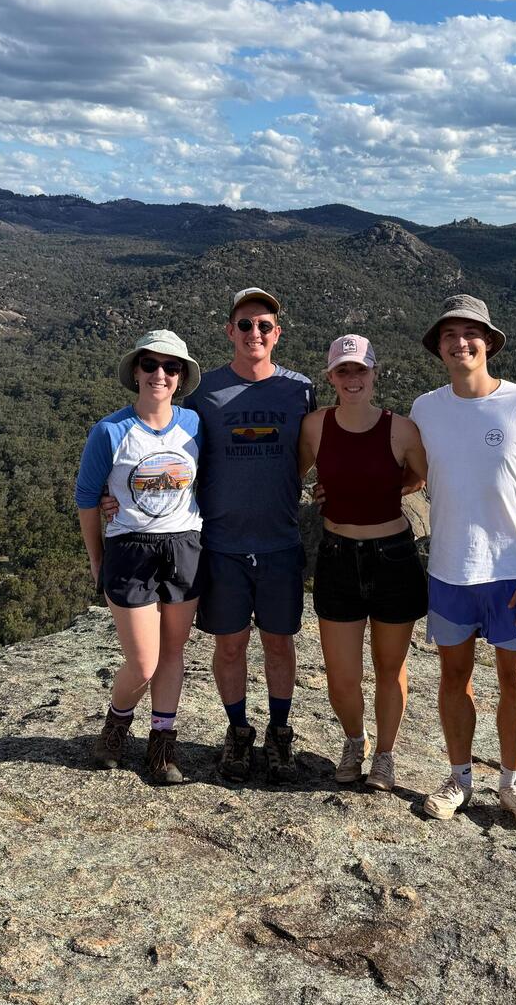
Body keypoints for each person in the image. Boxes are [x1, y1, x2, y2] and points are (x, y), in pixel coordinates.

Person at [102, 288, 315, 783]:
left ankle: (279, 733)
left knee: (280, 645)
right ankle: (238, 731)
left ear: (277, 333)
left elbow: (308, 449)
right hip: (221, 545)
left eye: (264, 325)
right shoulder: (204, 398)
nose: (254, 333)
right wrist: (116, 498)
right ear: (230, 331)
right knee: (230, 646)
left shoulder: (300, 390)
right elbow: (171, 453)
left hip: (280, 542)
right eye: (245, 325)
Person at [411, 295, 516, 830]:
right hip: (450, 568)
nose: (460, 343)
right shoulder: (425, 409)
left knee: (515, 681)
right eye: (449, 335)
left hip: (511, 571)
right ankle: (459, 778)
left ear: (489, 342)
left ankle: (511, 781)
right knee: (453, 677)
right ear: (438, 348)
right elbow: (412, 476)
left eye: (470, 333)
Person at [299, 334, 428, 792]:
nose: (352, 379)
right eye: (343, 371)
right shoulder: (315, 427)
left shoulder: (402, 429)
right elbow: (293, 473)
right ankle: (355, 739)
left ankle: (386, 754)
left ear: (375, 374)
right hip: (337, 556)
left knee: (390, 667)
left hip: (393, 556)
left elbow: (418, 476)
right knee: (342, 674)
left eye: (361, 370)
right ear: (331, 377)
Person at [75, 329, 203, 785]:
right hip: (130, 551)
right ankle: (116, 723)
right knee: (144, 662)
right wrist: (97, 560)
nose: (160, 374)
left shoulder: (194, 425)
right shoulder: (110, 431)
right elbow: (88, 499)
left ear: (182, 378)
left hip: (184, 545)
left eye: (171, 368)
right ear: (135, 371)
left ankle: (161, 746)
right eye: (150, 365)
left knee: (173, 652)